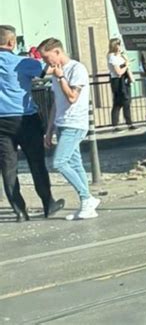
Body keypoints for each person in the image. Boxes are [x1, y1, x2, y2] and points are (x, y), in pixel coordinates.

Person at [0, 25, 64, 222]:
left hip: (1, 121)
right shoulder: (23, 62)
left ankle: (19, 210)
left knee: (8, 167)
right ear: (12, 42)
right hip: (25, 118)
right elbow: (48, 70)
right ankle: (48, 204)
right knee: (36, 163)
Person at [38, 37, 100, 221]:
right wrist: (49, 130)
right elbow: (57, 104)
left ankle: (87, 197)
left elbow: (72, 97)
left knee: (59, 163)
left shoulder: (76, 69)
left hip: (75, 123)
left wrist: (61, 77)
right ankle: (87, 204)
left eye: (47, 57)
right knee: (75, 163)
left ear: (57, 52)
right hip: (62, 123)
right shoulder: (58, 72)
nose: (46, 62)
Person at [107, 38, 135, 132]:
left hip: (124, 80)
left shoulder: (120, 56)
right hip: (117, 81)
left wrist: (125, 58)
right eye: (118, 44)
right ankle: (116, 124)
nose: (120, 46)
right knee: (119, 102)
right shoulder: (112, 57)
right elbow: (118, 72)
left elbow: (126, 64)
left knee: (126, 101)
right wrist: (126, 65)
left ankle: (129, 122)